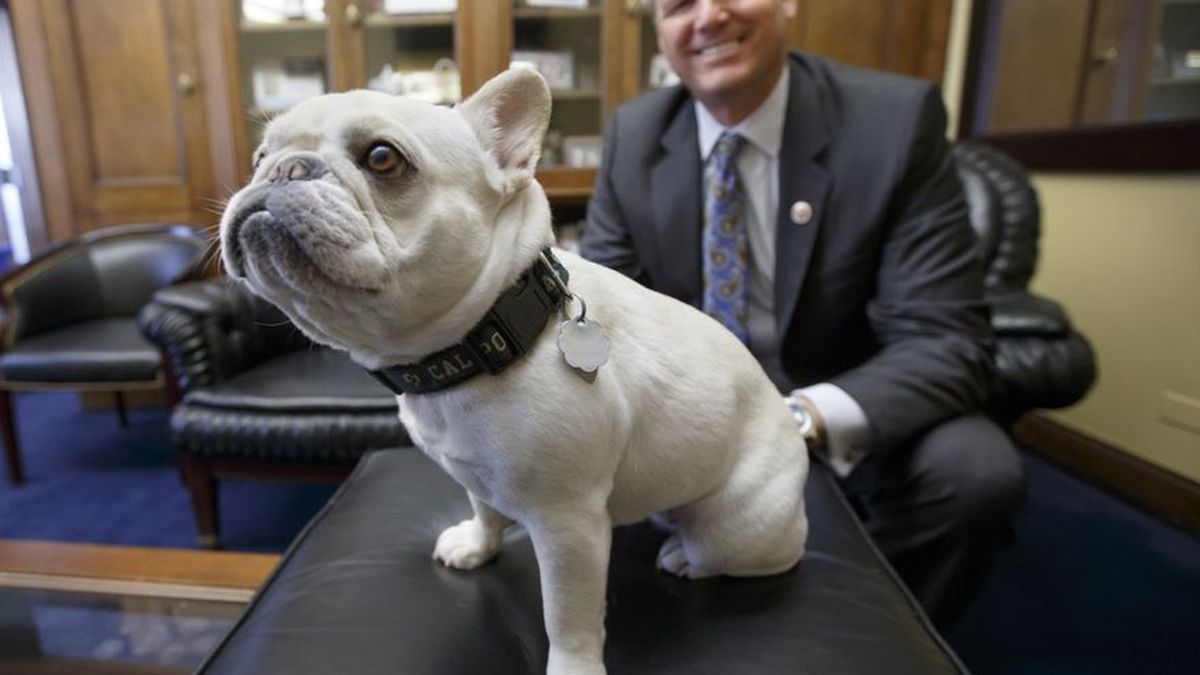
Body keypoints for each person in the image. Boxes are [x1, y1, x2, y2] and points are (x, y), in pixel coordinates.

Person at [580, 0, 1024, 629]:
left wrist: (796, 419)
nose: (706, 17)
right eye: (678, 4)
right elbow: (600, 312)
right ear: (658, 29)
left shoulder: (893, 122)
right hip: (690, 402)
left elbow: (946, 338)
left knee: (976, 475)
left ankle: (873, 638)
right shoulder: (634, 136)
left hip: (841, 390)